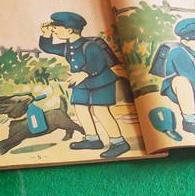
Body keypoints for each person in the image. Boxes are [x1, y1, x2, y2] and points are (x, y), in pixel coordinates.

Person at [39, 11, 130, 159]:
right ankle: (92, 139)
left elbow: (98, 62)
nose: (53, 30)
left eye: (56, 27)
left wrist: (84, 73)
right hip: (81, 83)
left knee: (100, 111)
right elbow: (48, 48)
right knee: (80, 109)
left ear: (69, 30)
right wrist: (45, 34)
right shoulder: (67, 46)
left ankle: (119, 142)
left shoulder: (90, 45)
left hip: (101, 82)